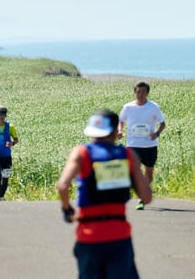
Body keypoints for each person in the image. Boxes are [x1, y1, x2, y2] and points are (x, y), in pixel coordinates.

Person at [57, 109, 152, 279]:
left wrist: (67, 209)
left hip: (89, 235)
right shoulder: (128, 155)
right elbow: (146, 197)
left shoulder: (82, 154)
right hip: (119, 235)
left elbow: (63, 186)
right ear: (116, 131)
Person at [117, 81, 166, 211]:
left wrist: (157, 134)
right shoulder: (128, 107)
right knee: (134, 171)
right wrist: (120, 131)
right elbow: (121, 120)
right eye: (138, 92)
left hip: (150, 145)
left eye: (143, 92)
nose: (140, 94)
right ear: (135, 92)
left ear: (147, 93)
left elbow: (163, 124)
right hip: (133, 144)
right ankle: (141, 196)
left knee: (149, 173)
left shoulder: (153, 107)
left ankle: (142, 193)